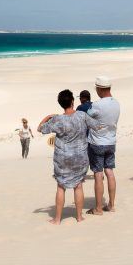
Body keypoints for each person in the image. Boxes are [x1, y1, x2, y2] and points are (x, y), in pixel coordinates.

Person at [38, 89, 91, 224]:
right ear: (73, 101)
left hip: (63, 159)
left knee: (61, 186)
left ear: (61, 104)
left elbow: (40, 128)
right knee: (78, 185)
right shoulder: (81, 116)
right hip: (80, 157)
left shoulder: (57, 120)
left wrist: (48, 116)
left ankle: (57, 219)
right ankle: (79, 217)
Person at [86, 76, 120, 215]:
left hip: (97, 143)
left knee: (98, 174)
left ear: (100, 88)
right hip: (111, 142)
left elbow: (87, 119)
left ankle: (98, 208)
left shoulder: (97, 105)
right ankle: (111, 205)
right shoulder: (116, 103)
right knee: (110, 171)